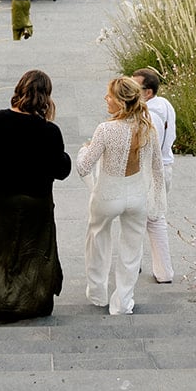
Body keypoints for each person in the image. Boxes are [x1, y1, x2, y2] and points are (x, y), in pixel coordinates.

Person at [0, 70, 72, 325]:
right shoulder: (50, 132)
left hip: (4, 199)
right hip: (38, 202)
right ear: (46, 97)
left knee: (0, 253)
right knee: (34, 253)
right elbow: (62, 170)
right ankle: (31, 303)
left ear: (19, 90)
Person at [77, 75, 165, 316]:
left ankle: (97, 293)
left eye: (110, 96)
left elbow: (84, 167)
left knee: (97, 241)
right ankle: (123, 303)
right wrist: (156, 200)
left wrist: (83, 150)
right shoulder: (148, 128)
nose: (106, 99)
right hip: (137, 197)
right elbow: (157, 168)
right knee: (132, 250)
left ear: (121, 102)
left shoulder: (105, 129)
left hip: (107, 195)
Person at [133, 67, 176, 284]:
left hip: (153, 173)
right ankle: (137, 263)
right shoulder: (165, 104)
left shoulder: (149, 116)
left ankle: (163, 271)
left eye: (135, 86)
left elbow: (150, 151)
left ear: (147, 92)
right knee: (145, 217)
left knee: (152, 219)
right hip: (165, 167)